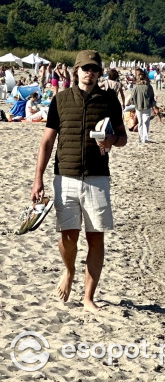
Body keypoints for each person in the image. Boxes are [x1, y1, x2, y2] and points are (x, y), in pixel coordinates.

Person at [30, 50, 127, 311]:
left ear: (99, 72)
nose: (90, 73)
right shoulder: (60, 100)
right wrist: (37, 179)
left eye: (94, 69)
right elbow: (47, 141)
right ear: (76, 71)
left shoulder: (109, 100)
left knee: (96, 238)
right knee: (68, 237)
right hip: (65, 177)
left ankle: (88, 298)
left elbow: (123, 137)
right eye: (85, 68)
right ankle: (69, 270)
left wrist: (112, 141)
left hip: (97, 178)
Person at [127, 68, 159, 144]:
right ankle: (145, 138)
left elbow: (132, 97)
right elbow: (152, 97)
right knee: (145, 122)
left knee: (140, 122)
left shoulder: (136, 87)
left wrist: (134, 103)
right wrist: (153, 106)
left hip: (138, 106)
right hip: (147, 106)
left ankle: (141, 138)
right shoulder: (149, 87)